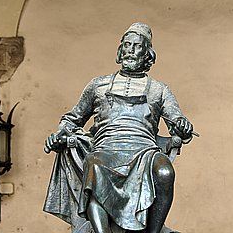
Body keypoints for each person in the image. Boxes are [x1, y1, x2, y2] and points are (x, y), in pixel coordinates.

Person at [44, 23, 193, 233]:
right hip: (106, 149)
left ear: (147, 54)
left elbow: (177, 121)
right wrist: (59, 133)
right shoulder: (98, 85)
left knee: (165, 173)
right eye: (127, 45)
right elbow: (72, 119)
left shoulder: (159, 90)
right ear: (120, 50)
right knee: (94, 167)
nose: (130, 50)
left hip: (145, 150)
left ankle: (154, 232)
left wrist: (183, 127)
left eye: (137, 46)